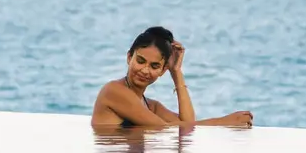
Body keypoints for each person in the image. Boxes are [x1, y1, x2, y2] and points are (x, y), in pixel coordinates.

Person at [91, 26, 254, 130]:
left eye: (155, 66)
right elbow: (165, 128)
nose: (145, 70)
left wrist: (176, 71)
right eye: (140, 61)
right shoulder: (113, 91)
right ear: (129, 58)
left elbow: (187, 124)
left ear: (162, 70)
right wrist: (225, 121)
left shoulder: (150, 106)